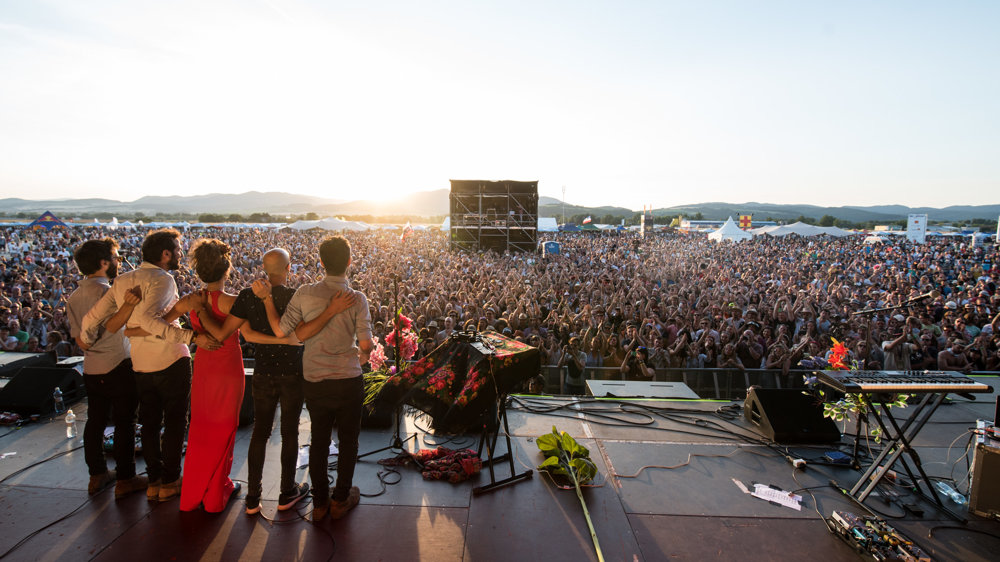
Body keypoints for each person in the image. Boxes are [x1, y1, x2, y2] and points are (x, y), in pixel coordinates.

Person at [197, 248, 354, 515]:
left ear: (264, 268)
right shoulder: (297, 296)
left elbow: (226, 332)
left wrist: (201, 314)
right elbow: (303, 333)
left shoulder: (247, 296)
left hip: (263, 372)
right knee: (290, 432)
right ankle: (286, 493)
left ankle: (252, 498)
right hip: (293, 373)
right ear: (289, 268)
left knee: (260, 432)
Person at [82, 228, 220, 502]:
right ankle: (169, 481)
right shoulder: (163, 279)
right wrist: (190, 336)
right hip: (169, 359)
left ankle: (153, 481)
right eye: (178, 251)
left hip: (140, 363)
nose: (180, 255)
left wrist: (85, 339)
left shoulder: (121, 281)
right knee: (175, 422)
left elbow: (93, 318)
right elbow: (148, 319)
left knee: (149, 422)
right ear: (166, 254)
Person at [258, 236, 372, 522]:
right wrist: (363, 355)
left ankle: (320, 501)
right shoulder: (357, 298)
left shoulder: (305, 294)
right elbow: (366, 344)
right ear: (349, 262)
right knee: (348, 441)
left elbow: (284, 331)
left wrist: (266, 300)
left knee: (319, 440)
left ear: (320, 262)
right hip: (348, 378)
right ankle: (341, 498)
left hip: (315, 378)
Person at [66, 238, 147, 499]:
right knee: (125, 423)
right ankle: (126, 478)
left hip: (91, 366)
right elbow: (119, 323)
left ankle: (97, 474)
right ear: (103, 263)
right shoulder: (108, 294)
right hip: (118, 364)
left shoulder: (74, 296)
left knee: (95, 421)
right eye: (115, 257)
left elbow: (79, 338)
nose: (118, 261)